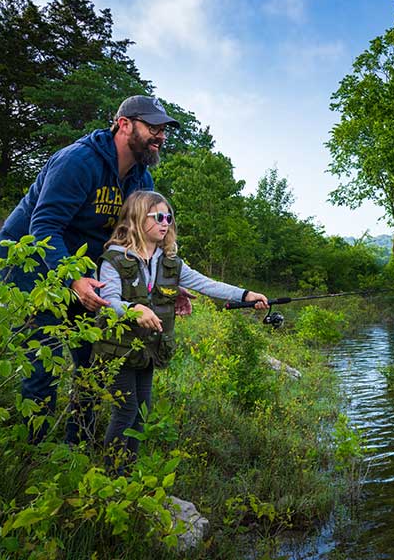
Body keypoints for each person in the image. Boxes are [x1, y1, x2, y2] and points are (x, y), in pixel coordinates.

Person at [0, 95, 182, 443]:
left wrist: (164, 279)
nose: (160, 136)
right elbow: (45, 226)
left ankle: (74, 448)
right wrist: (71, 278)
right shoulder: (78, 161)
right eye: (152, 127)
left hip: (86, 271)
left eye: (163, 130)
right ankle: (25, 453)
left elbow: (135, 241)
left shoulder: (142, 181)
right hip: (30, 262)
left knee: (96, 363)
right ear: (124, 124)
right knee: (42, 361)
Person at [92, 190, 268, 470]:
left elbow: (206, 283)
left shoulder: (169, 260)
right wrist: (133, 310)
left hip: (147, 351)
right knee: (125, 411)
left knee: (141, 412)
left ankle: (126, 475)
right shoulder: (113, 259)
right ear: (137, 218)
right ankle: (110, 474)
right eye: (158, 217)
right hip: (118, 350)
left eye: (169, 218)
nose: (165, 223)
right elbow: (109, 302)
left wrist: (245, 295)